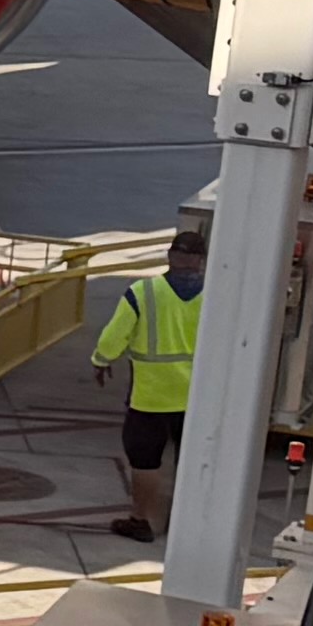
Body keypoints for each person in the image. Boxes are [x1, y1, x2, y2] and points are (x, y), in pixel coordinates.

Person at [93, 215, 209, 542]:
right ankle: (190, 526)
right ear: (201, 260)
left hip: (151, 396)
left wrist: (101, 361)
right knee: (193, 461)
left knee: (146, 460)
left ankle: (142, 520)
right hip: (197, 396)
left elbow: (114, 336)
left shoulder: (143, 292)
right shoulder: (216, 295)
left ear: (170, 256)